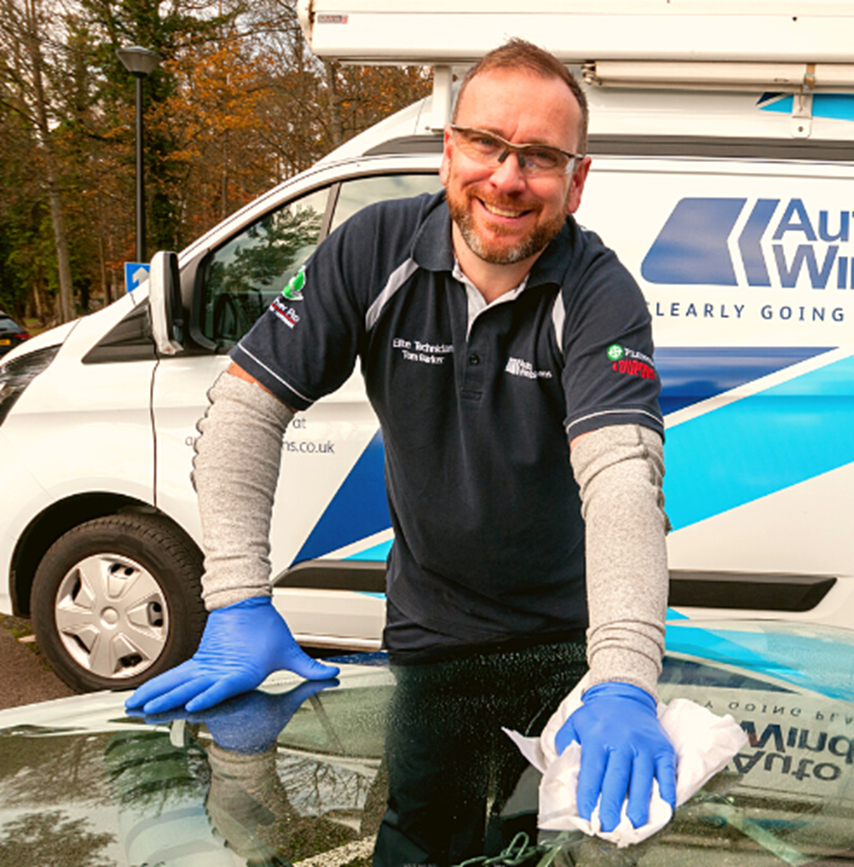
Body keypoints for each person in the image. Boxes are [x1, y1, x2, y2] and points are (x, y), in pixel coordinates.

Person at [126, 38, 677, 834]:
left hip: (570, 648)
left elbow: (623, 476)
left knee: (554, 850)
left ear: (577, 180)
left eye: (540, 157)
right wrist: (237, 597)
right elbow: (246, 409)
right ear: (450, 149)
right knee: (422, 843)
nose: (508, 177)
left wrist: (623, 673)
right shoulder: (370, 248)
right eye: (486, 143)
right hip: (428, 638)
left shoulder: (601, 294)